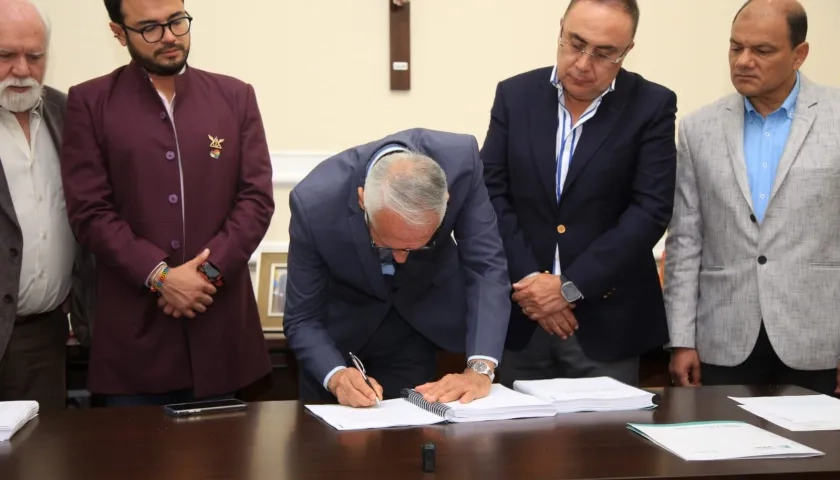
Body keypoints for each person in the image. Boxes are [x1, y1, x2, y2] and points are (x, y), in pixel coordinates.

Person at [60, 0, 274, 406]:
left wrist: (204, 275)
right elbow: (90, 212)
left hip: (221, 334)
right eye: (150, 28)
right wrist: (161, 276)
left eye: (177, 21)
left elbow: (256, 200)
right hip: (135, 341)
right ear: (119, 32)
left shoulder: (234, 96)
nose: (171, 37)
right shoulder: (90, 102)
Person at [480, 0, 677, 387]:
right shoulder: (515, 95)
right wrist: (532, 286)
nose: (584, 63)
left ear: (627, 51)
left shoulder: (652, 105)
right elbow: (490, 194)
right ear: (560, 30)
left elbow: (650, 210)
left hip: (607, 321)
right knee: (515, 444)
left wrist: (571, 287)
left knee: (609, 443)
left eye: (604, 54)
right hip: (522, 318)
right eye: (575, 43)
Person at [665, 0, 840, 396]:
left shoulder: (836, 116)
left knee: (822, 458)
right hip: (724, 339)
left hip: (818, 339)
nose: (743, 61)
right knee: (725, 456)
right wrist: (681, 339)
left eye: (761, 50)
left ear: (800, 54)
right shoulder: (698, 129)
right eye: (735, 47)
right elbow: (685, 241)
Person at [284, 128, 510, 407]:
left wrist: (480, 370)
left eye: (417, 246)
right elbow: (302, 317)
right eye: (387, 245)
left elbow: (486, 267)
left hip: (417, 329)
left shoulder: (461, 164)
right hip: (337, 340)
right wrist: (336, 375)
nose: (401, 259)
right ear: (362, 200)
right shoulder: (314, 203)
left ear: (446, 201)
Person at [0, 0, 92, 410]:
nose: (22, 69)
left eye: (34, 56)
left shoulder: (69, 113)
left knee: (39, 460)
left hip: (41, 337)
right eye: (5, 55)